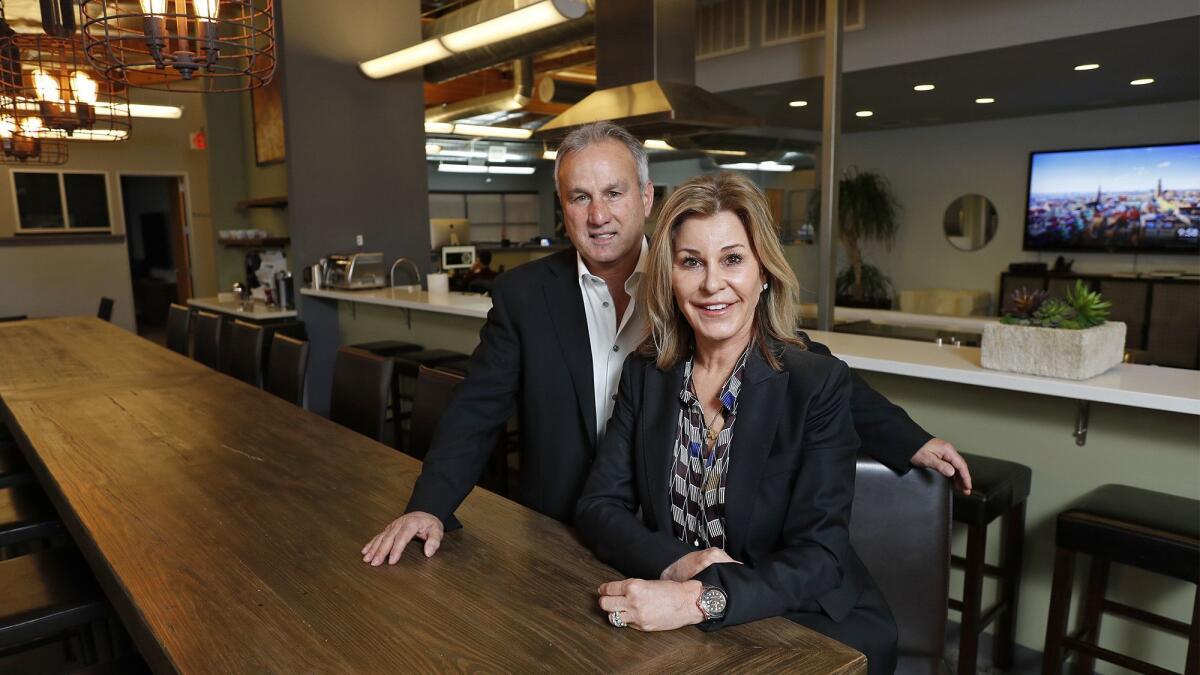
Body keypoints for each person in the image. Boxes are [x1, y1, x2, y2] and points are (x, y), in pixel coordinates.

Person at [361, 121, 970, 567]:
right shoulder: (524, 295)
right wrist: (430, 506)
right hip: (558, 532)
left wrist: (907, 438)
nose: (599, 214)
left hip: (663, 535)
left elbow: (800, 360)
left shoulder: (697, 284)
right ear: (563, 210)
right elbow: (476, 410)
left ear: (646, 199)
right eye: (580, 197)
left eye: (615, 193)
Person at [575, 172, 896, 672]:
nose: (711, 284)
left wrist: (696, 600)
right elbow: (599, 506)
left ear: (763, 271)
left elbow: (819, 558)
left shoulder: (816, 384)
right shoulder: (646, 374)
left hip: (810, 623)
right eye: (691, 262)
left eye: (732, 259)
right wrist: (677, 565)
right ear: (670, 276)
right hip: (689, 628)